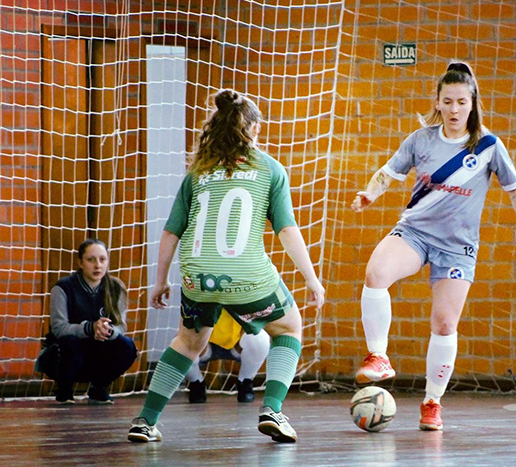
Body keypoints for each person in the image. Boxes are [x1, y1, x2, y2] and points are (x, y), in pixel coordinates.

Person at [128, 89, 325, 444]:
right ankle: (273, 410)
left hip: (196, 272)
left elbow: (171, 232)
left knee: (188, 342)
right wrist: (311, 279)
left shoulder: (198, 172)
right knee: (290, 326)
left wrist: (159, 282)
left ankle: (145, 422)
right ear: (253, 129)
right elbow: (287, 231)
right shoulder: (269, 168)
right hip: (244, 272)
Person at [351, 62, 516, 431]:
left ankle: (431, 402)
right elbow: (387, 173)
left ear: (473, 104)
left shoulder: (488, 145)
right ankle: (378, 356)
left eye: (461, 102)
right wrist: (369, 193)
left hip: (457, 248)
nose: (454, 110)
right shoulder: (420, 139)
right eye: (447, 102)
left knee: (444, 322)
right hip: (416, 233)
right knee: (376, 273)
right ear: (437, 103)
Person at [37, 238, 138, 404]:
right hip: (64, 356)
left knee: (127, 346)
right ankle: (64, 389)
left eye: (102, 259)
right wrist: (90, 328)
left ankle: (99, 388)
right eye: (91, 260)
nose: (97, 265)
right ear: (80, 262)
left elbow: (121, 326)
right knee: (70, 342)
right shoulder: (63, 287)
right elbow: (59, 328)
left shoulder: (116, 287)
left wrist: (108, 330)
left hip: (97, 353)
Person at [185, 311, 270, 403]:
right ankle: (196, 383)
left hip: (237, 344)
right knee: (181, 344)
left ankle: (245, 381)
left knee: (259, 337)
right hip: (204, 344)